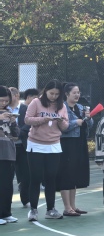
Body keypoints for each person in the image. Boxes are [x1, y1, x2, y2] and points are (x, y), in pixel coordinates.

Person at [24, 80, 69, 221]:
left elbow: (65, 127)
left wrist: (61, 121)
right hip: (35, 144)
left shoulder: (62, 106)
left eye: (57, 94)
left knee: (51, 177)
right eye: (51, 93)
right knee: (36, 177)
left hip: (53, 145)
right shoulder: (36, 102)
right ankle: (33, 210)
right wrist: (43, 119)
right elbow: (27, 120)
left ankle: (51, 209)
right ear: (45, 91)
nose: (54, 96)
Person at [57, 83, 93, 217]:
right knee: (66, 174)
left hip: (80, 142)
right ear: (66, 94)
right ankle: (67, 207)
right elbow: (62, 127)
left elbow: (89, 125)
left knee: (75, 174)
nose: (77, 95)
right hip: (67, 143)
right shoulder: (62, 108)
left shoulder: (81, 107)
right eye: (74, 92)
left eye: (78, 92)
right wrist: (75, 122)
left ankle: (73, 206)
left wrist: (89, 117)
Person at [16, 88, 39, 208]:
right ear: (28, 97)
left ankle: (25, 199)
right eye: (35, 98)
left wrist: (18, 133)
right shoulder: (6, 109)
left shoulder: (28, 110)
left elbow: (28, 124)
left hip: (23, 145)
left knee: (26, 174)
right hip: (8, 146)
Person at [0, 86, 20, 225]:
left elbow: (16, 135)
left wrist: (13, 122)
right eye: (1, 100)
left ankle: (6, 213)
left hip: (8, 153)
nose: (4, 103)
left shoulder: (9, 112)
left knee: (7, 185)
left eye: (6, 101)